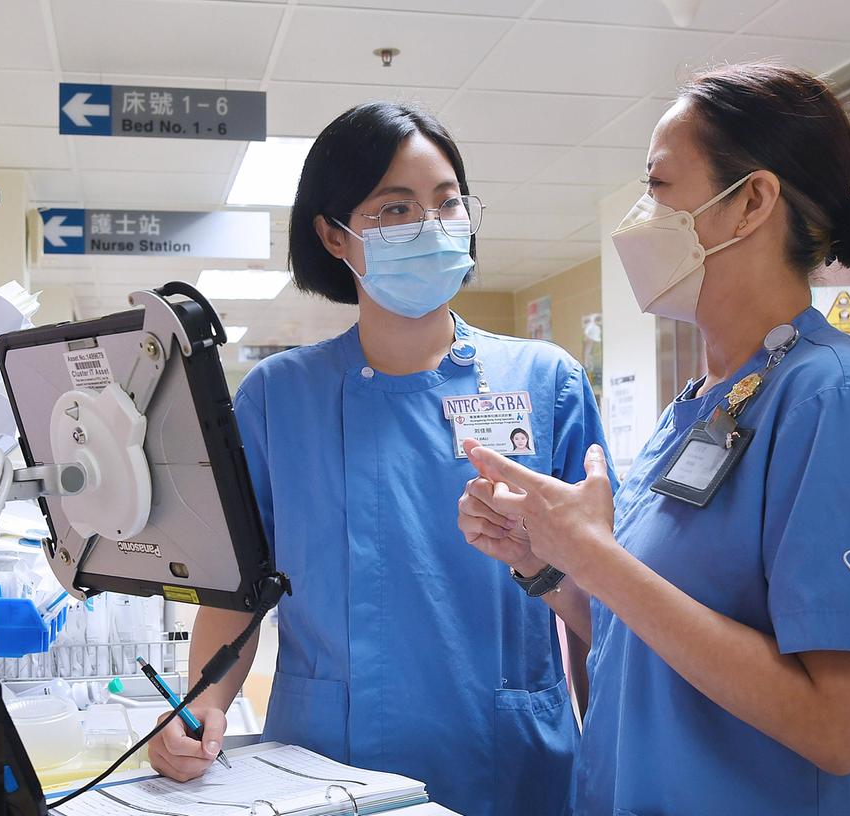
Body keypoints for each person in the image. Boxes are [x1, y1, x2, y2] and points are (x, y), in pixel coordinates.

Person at [457, 63, 850, 815]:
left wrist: (597, 556)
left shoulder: (835, 403)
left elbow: (840, 728)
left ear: (750, 202)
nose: (639, 216)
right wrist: (553, 567)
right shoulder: (703, 406)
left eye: (658, 186)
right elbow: (647, 640)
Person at [149, 101, 610, 816]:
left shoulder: (545, 384)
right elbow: (237, 587)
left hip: (510, 761)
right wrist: (200, 703)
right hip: (324, 767)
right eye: (394, 209)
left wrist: (609, 758)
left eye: (447, 202)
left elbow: (605, 603)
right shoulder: (279, 397)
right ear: (334, 236)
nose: (429, 225)